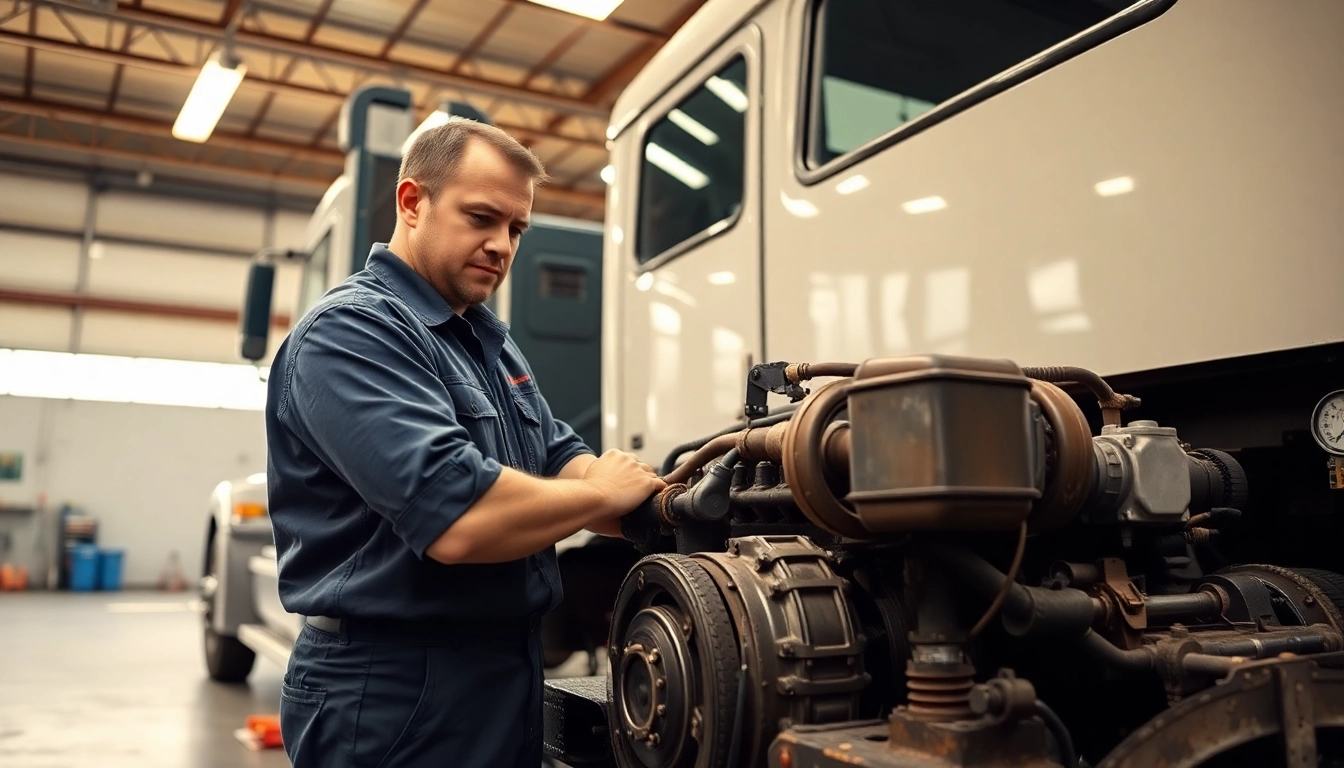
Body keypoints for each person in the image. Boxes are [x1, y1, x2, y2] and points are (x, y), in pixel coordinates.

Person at [264, 119, 665, 768]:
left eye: (516, 229)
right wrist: (599, 495)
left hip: (501, 668)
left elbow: (559, 455)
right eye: (482, 218)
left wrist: (645, 497)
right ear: (412, 202)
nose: (502, 245)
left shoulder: (487, 338)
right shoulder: (350, 334)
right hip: (394, 687)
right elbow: (458, 517)